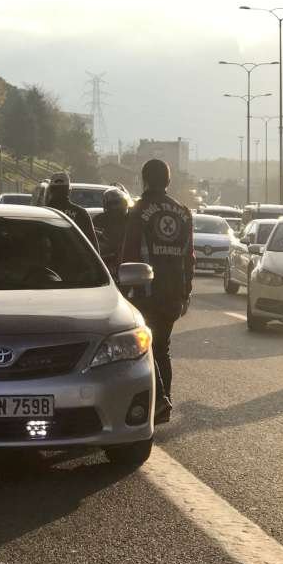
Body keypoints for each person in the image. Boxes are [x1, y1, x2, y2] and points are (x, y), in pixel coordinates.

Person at [120, 159, 194, 423]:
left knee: (145, 348)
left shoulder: (139, 210)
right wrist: (186, 292)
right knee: (163, 348)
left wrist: (122, 286)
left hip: (145, 291)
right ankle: (163, 402)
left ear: (145, 180)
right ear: (168, 181)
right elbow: (189, 257)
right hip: (174, 292)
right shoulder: (184, 213)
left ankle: (158, 399)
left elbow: (128, 252)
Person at [45, 172, 99, 251]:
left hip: (46, 262)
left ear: (50, 190)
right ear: (69, 191)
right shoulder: (80, 213)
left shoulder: (42, 213)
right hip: (74, 261)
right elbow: (93, 247)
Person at [95, 187, 131, 275]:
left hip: (127, 260)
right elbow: (95, 241)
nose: (115, 207)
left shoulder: (131, 220)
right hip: (105, 261)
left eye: (117, 203)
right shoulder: (98, 220)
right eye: (112, 204)